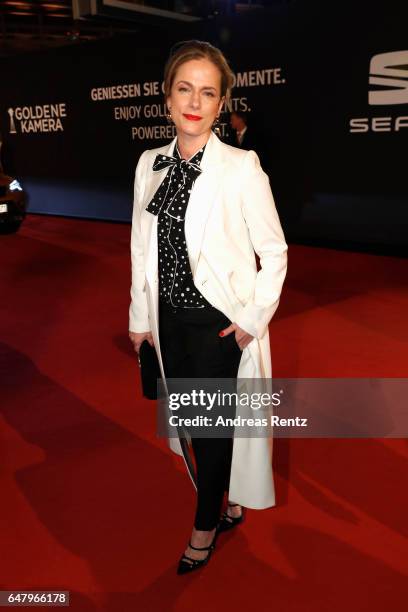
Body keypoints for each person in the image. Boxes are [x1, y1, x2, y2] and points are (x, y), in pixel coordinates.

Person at [128, 40, 287, 575]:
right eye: (184, 89)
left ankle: (204, 529)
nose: (195, 102)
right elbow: (138, 247)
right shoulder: (148, 164)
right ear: (167, 98)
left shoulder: (241, 167)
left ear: (222, 105)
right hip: (169, 326)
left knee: (213, 431)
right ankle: (230, 496)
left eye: (208, 93)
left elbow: (275, 253)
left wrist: (250, 322)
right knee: (194, 426)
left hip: (220, 330)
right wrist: (140, 320)